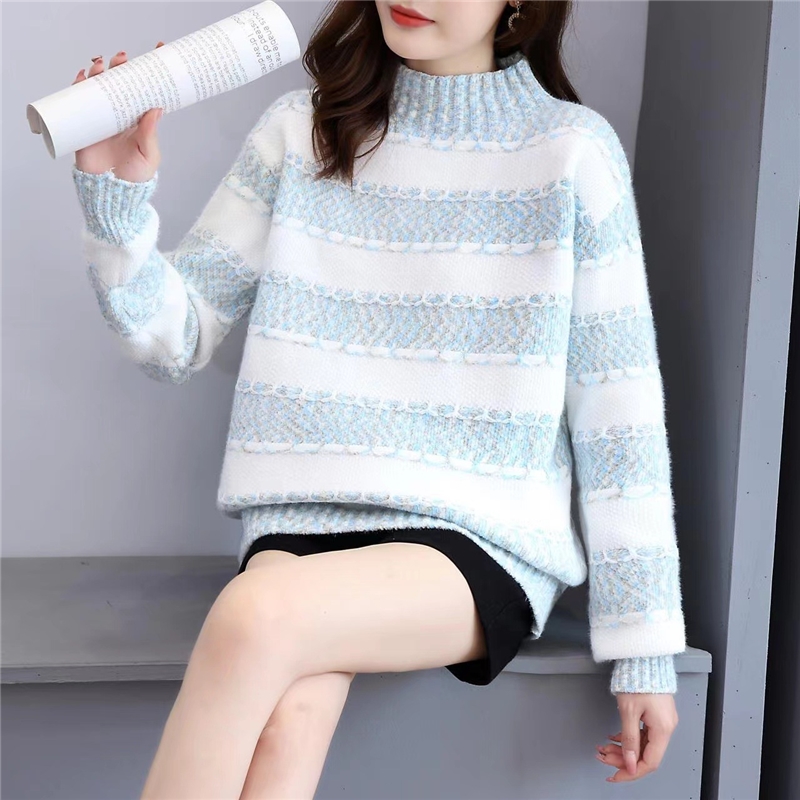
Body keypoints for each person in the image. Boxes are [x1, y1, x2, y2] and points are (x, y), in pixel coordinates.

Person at [69, 0, 686, 795]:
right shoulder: (299, 132)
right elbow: (175, 339)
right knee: (288, 719)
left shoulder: (571, 153)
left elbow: (619, 415)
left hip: (476, 538)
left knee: (254, 615)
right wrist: (115, 202)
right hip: (300, 524)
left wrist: (645, 649)